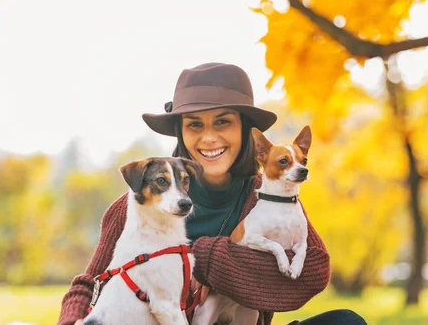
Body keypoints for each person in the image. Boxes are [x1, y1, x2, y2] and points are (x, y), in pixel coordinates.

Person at [58, 63, 367, 325]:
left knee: (346, 321)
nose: (208, 138)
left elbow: (312, 271)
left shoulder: (267, 195)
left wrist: (207, 258)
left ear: (245, 130)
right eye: (194, 125)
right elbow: (91, 282)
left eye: (223, 122)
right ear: (181, 132)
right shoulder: (140, 204)